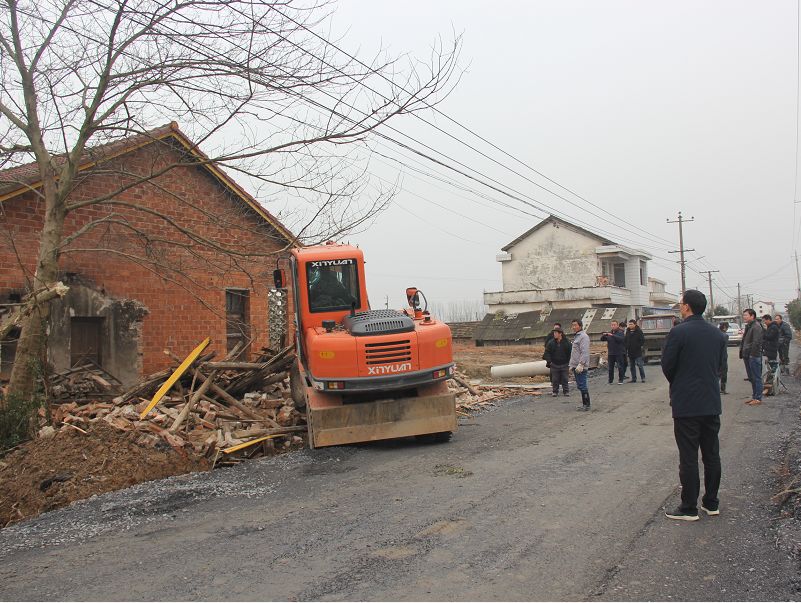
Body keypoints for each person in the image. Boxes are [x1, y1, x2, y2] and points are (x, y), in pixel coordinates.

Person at [661, 289, 726, 521]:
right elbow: (720, 366)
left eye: (681, 303)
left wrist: (681, 383)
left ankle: (689, 507)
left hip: (687, 404)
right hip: (710, 402)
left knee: (688, 456)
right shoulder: (717, 334)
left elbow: (667, 365)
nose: (680, 306)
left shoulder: (678, 333)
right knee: (711, 454)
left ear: (686, 307)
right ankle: (711, 502)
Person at [740, 309, 764, 405]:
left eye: (746, 315)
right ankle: (754, 396)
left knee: (756, 377)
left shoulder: (756, 326)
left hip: (753, 356)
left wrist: (752, 355)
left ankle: (758, 398)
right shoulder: (749, 326)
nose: (744, 317)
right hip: (747, 355)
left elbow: (756, 343)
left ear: (752, 316)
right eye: (744, 315)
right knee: (752, 378)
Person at [569, 318, 591, 411]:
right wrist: (571, 365)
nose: (574, 327)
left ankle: (587, 405)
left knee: (582, 385)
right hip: (576, 365)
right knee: (580, 385)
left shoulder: (583, 337)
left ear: (580, 326)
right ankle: (584, 404)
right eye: (573, 325)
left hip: (580, 366)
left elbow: (584, 352)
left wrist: (581, 364)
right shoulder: (577, 336)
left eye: (575, 325)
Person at [543, 327, 571, 397]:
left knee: (565, 378)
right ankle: (555, 391)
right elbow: (547, 353)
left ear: (560, 334)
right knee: (555, 379)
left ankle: (566, 391)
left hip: (564, 364)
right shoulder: (551, 343)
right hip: (554, 364)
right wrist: (549, 362)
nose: (554, 334)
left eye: (556, 333)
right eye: (554, 333)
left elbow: (570, 353)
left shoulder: (567, 342)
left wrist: (569, 362)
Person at [762, 314, 780, 394]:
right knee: (769, 367)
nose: (764, 322)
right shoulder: (770, 327)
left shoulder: (773, 327)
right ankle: (769, 384)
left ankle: (771, 385)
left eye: (765, 320)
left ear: (768, 319)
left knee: (772, 367)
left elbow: (770, 337)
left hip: (772, 350)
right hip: (769, 349)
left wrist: (764, 333)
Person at [625, 318, 646, 383]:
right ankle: (634, 379)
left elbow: (642, 340)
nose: (630, 325)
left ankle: (643, 378)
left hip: (637, 351)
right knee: (632, 366)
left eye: (631, 324)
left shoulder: (639, 331)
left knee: (640, 365)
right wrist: (626, 347)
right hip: (630, 352)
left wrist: (638, 346)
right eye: (629, 324)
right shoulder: (628, 331)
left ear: (635, 324)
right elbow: (625, 340)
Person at [719, 322, 729, 394]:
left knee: (716, 373)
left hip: (716, 355)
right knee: (723, 373)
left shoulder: (715, 333)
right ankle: (723, 389)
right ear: (725, 327)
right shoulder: (725, 335)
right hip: (723, 356)